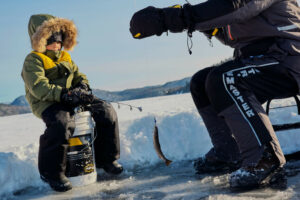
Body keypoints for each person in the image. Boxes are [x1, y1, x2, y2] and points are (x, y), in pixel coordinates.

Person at [129, 0, 300, 189]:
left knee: (225, 78)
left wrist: (172, 18)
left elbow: (236, 8)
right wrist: (214, 29)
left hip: (288, 58)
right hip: (262, 59)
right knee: (201, 83)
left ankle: (265, 158)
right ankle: (229, 152)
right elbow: (234, 31)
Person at [21, 14, 123, 192]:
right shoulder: (33, 60)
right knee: (62, 123)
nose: (57, 45)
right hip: (46, 102)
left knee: (106, 111)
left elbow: (78, 75)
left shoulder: (65, 58)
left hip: (70, 97)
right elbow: (38, 86)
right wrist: (64, 95)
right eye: (52, 42)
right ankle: (51, 172)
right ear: (41, 40)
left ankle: (106, 159)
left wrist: (82, 86)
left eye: (59, 42)